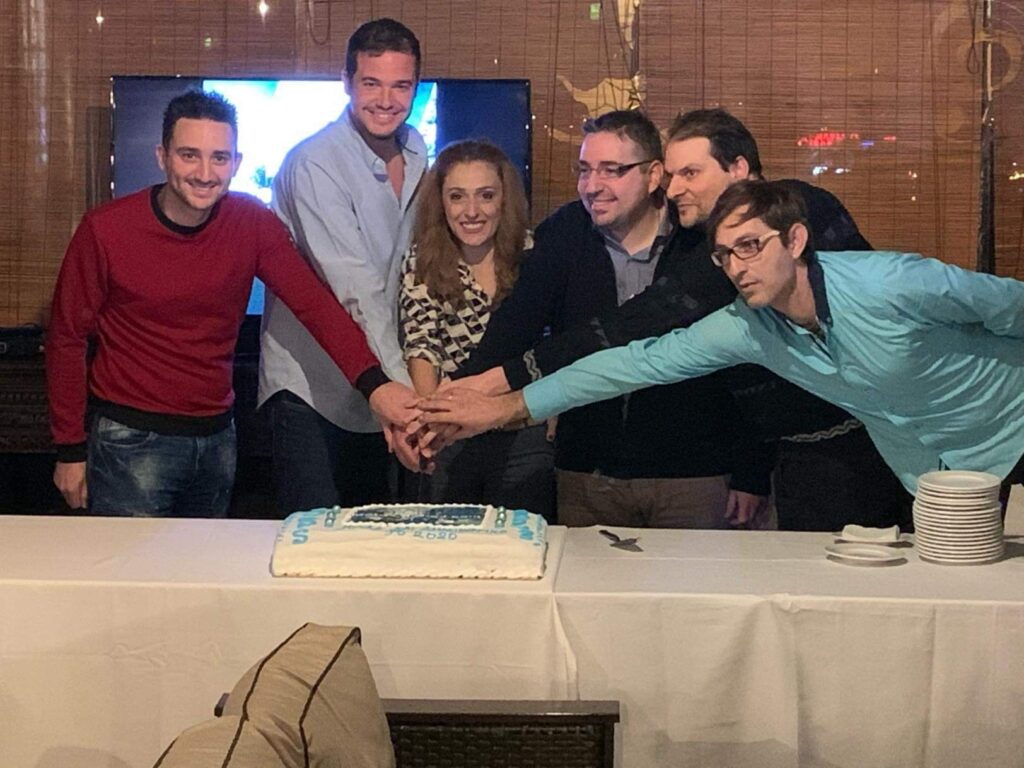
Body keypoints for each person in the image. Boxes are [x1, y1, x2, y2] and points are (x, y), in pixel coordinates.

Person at [449, 108, 911, 532]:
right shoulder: (712, 278)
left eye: (689, 173)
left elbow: (641, 325)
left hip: (872, 437)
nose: (673, 190)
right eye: (584, 170)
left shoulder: (802, 210)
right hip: (789, 454)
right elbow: (638, 355)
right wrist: (479, 391)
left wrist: (498, 395)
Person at [420, 180, 1024, 500]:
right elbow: (634, 363)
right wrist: (509, 406)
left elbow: (1012, 307)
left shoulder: (892, 282)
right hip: (929, 474)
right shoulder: (745, 325)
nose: (737, 267)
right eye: (724, 254)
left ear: (795, 241)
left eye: (750, 246)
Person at [46, 90, 420, 517]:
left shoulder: (251, 222)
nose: (205, 173)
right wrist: (69, 449)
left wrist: (376, 386)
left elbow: (316, 307)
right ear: (162, 156)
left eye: (219, 158)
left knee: (207, 562)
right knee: (133, 564)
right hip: (129, 441)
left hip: (218, 439)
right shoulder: (107, 229)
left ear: (237, 163)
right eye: (189, 155)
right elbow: (66, 338)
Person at [445, 109, 772, 530]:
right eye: (585, 170)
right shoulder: (565, 231)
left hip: (696, 474)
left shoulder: (701, 236)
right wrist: (453, 398)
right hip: (587, 471)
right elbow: (513, 326)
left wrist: (751, 472)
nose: (592, 185)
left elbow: (748, 365)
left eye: (611, 170)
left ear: (653, 176)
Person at [258, 18, 427, 514]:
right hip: (314, 390)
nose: (386, 100)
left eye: (401, 86)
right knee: (316, 543)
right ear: (346, 82)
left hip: (384, 383)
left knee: (372, 542)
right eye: (371, 84)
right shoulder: (315, 162)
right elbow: (355, 286)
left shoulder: (417, 149)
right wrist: (405, 396)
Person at [398, 140, 555, 518]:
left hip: (524, 431)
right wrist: (431, 421)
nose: (472, 211)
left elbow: (555, 342)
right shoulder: (422, 260)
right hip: (451, 433)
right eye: (457, 197)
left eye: (486, 196)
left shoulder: (534, 254)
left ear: (504, 200)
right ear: (441, 203)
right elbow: (421, 344)